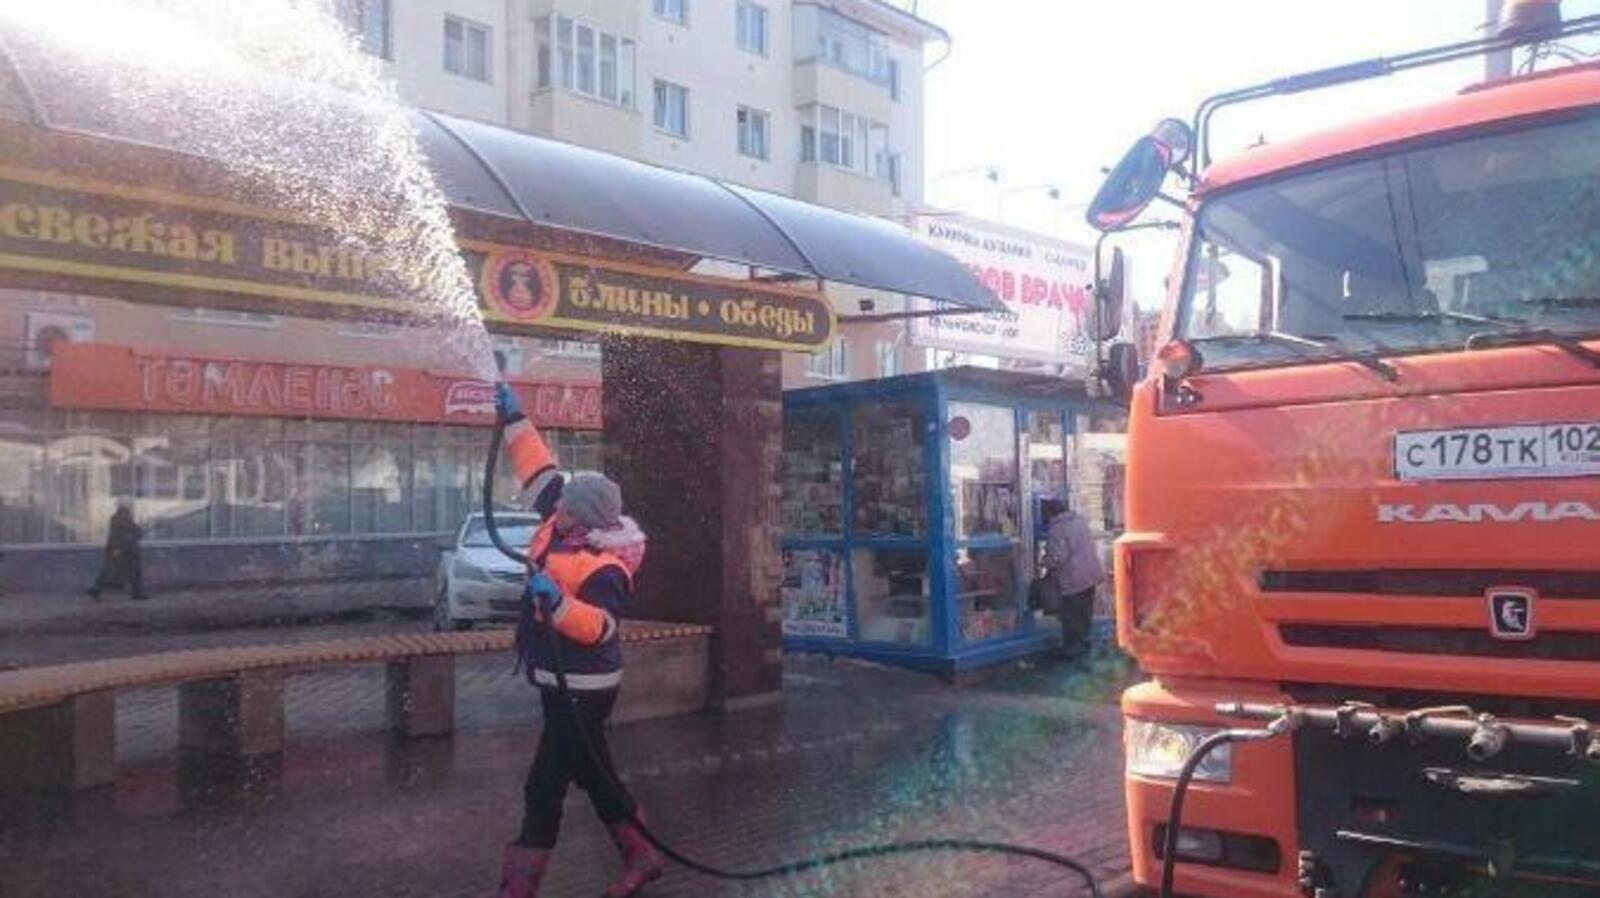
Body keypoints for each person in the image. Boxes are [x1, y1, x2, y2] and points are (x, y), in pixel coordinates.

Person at [493, 384, 660, 898]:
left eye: (565, 507)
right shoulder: (562, 519)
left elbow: (601, 627)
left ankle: (519, 887)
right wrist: (515, 419)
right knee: (594, 772)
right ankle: (642, 856)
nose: (555, 508)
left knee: (544, 784)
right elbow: (538, 468)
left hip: (585, 687)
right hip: (556, 679)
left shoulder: (607, 567)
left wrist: (559, 605)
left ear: (585, 520)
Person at [1041, 497, 1104, 651]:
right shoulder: (1079, 521)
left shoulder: (1057, 529)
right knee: (1085, 616)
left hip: (1073, 581)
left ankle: (1073, 650)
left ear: (1049, 513)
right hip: (1090, 576)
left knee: (1072, 619)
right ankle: (1085, 648)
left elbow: (1057, 557)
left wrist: (1044, 562)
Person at [88, 499, 148, 602]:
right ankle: (95, 588)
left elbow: (135, 532)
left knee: (133, 571)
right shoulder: (120, 519)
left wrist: (136, 534)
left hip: (125, 549)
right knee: (113, 571)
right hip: (122, 550)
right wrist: (120, 546)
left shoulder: (122, 518)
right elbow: (122, 535)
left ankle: (137, 592)